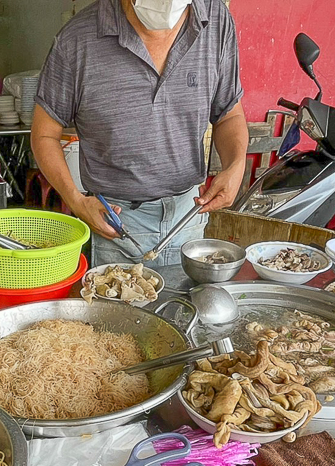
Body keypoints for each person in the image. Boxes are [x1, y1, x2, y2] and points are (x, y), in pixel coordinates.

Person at [32, 0, 248, 268]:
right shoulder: (77, 39)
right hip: (114, 224)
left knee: (188, 307)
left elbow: (229, 113)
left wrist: (236, 165)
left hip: (189, 215)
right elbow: (44, 135)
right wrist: (76, 200)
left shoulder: (215, 19)